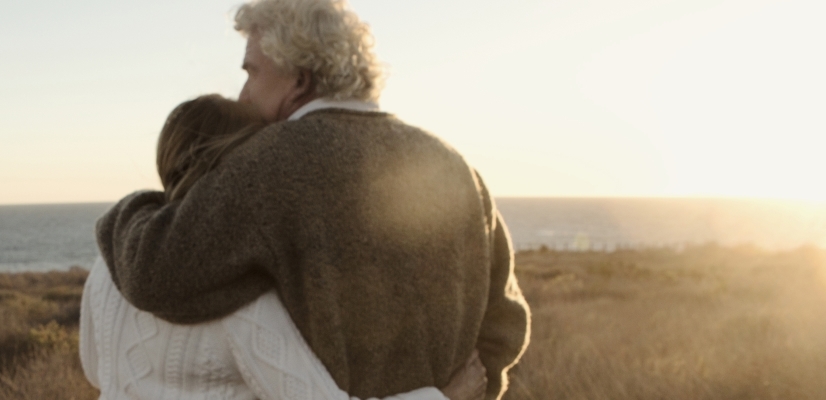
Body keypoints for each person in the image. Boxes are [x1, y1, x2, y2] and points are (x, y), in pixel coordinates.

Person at [96, 0, 531, 399]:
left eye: (252, 72)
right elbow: (506, 323)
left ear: (299, 80)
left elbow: (155, 273)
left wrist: (131, 209)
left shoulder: (269, 164)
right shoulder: (455, 167)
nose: (244, 94)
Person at [80, 94, 488, 400]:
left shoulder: (108, 263)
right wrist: (442, 397)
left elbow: (95, 369)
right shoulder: (234, 295)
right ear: (237, 170)